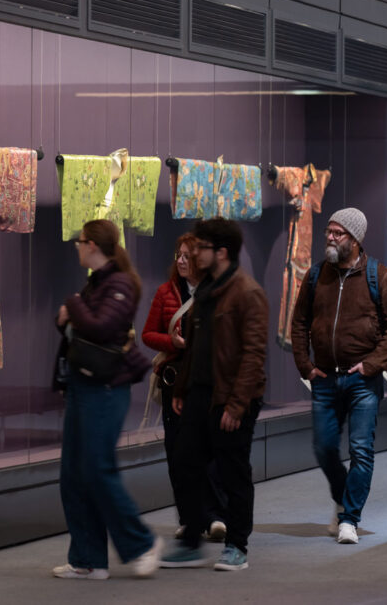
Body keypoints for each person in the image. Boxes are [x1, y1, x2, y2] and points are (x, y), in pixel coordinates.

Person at [290, 207, 387, 544]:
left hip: (363, 382)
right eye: (328, 231)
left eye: (337, 233)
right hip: (324, 379)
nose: (329, 237)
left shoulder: (379, 276)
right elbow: (298, 323)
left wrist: (372, 364)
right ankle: (343, 499)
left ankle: (350, 519)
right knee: (324, 447)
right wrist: (304, 364)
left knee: (361, 450)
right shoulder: (315, 276)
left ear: (354, 240)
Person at [52, 219, 162, 580]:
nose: (77, 247)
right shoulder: (97, 282)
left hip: (106, 388)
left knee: (98, 470)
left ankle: (142, 543)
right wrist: (71, 314)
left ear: (93, 246)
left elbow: (100, 327)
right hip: (83, 384)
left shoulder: (120, 284)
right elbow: (75, 324)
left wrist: (71, 304)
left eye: (80, 241)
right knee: (73, 474)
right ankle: (88, 559)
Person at [160, 218, 268, 572]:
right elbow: (194, 347)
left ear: (220, 252)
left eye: (201, 247)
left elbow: (253, 355)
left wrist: (237, 405)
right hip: (199, 396)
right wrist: (182, 387)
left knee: (232, 472)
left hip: (231, 399)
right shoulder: (203, 292)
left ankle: (237, 546)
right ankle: (192, 539)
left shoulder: (247, 293)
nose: (193, 253)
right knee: (185, 462)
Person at [141, 233, 227, 543]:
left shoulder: (215, 293)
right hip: (175, 381)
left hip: (206, 382)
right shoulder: (165, 292)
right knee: (177, 452)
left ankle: (216, 516)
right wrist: (172, 342)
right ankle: (189, 517)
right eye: (178, 254)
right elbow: (147, 334)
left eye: (186, 255)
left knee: (209, 451)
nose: (180, 260)